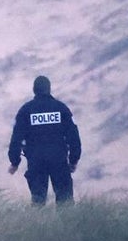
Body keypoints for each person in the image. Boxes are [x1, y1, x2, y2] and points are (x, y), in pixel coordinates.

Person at [7, 75, 81, 206]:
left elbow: (16, 139)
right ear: (49, 89)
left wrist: (14, 162)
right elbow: (73, 136)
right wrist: (74, 160)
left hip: (36, 161)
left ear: (34, 90)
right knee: (65, 202)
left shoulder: (26, 111)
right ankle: (67, 226)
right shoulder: (61, 108)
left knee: (38, 202)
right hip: (59, 160)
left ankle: (38, 226)